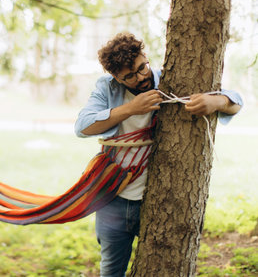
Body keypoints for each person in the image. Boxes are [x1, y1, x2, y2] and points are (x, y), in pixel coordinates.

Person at [74, 32, 243, 277]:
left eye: (142, 67)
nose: (141, 77)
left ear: (145, 57)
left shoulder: (170, 79)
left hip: (158, 201)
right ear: (115, 77)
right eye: (129, 76)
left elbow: (237, 101)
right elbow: (83, 127)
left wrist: (217, 102)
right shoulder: (106, 88)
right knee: (111, 270)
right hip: (113, 199)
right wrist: (131, 108)